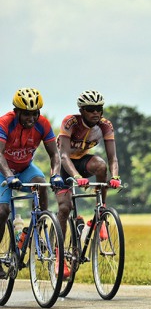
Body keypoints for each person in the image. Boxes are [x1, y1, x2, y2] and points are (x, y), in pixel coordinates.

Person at [0, 88, 64, 278]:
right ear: (16, 112)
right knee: (3, 211)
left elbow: (55, 155)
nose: (32, 118)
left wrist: (56, 175)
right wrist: (9, 176)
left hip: (26, 167)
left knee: (41, 183)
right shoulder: (5, 123)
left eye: (35, 113)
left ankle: (38, 230)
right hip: (3, 170)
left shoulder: (42, 124)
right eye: (27, 114)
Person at [57, 90, 122, 260]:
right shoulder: (70, 122)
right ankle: (59, 256)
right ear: (81, 110)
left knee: (101, 166)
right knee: (64, 208)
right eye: (91, 109)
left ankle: (100, 211)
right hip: (63, 165)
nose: (96, 113)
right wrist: (77, 177)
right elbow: (64, 156)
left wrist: (115, 177)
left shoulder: (105, 125)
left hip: (81, 160)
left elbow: (112, 158)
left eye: (99, 109)